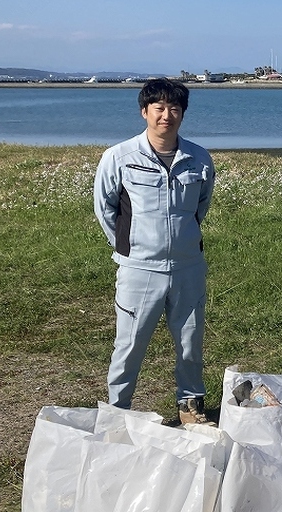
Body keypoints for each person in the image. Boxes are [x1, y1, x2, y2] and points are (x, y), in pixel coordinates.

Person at [93, 78, 215, 424]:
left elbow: (199, 208)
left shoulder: (199, 159)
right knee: (129, 346)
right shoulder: (119, 157)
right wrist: (132, 246)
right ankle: (118, 412)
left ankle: (190, 406)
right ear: (144, 111)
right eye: (159, 108)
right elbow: (105, 209)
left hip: (188, 267)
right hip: (139, 269)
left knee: (190, 343)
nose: (167, 115)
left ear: (182, 113)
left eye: (174, 108)